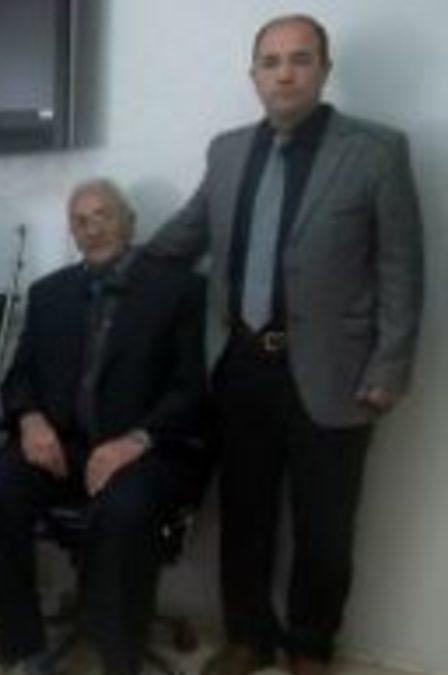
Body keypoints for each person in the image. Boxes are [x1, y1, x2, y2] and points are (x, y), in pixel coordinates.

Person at [148, 15, 424, 675]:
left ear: (324, 69)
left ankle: (309, 646)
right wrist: (114, 265)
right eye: (270, 62)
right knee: (245, 515)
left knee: (324, 527)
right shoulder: (227, 151)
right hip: (242, 364)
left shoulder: (376, 151)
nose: (285, 74)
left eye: (300, 59)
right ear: (254, 76)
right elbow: (187, 233)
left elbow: (401, 269)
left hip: (337, 371)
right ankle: (249, 637)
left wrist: (390, 365)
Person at [0, 180, 208, 675]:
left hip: (144, 451)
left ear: (130, 222)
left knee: (122, 510)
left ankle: (119, 658)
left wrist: (133, 442)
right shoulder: (48, 293)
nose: (92, 229)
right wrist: (30, 420)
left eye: (104, 216)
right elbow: (19, 379)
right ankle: (21, 642)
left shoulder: (179, 289)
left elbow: (190, 391)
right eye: (80, 221)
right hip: (63, 447)